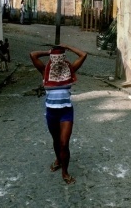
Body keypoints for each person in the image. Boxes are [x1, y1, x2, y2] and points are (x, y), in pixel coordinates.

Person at [30, 44, 87, 185]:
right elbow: (33, 54)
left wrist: (67, 47)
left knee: (64, 143)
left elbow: (83, 55)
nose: (57, 60)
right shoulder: (44, 71)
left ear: (64, 58)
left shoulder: (70, 70)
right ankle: (58, 160)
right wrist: (49, 51)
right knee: (56, 140)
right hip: (51, 112)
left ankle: (65, 172)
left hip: (66, 112)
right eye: (54, 57)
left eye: (60, 57)